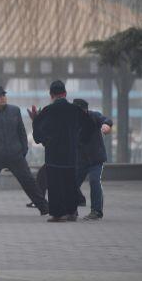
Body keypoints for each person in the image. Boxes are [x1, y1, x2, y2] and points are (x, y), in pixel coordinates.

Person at [0, 87, 48, 216]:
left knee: (28, 181)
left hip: (15, 155)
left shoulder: (15, 111)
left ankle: (44, 207)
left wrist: (23, 149)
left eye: (4, 95)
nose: (3, 98)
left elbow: (22, 132)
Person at [29, 80, 95, 222]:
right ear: (65, 93)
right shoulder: (75, 110)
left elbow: (37, 133)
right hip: (70, 153)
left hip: (53, 154)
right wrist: (79, 140)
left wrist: (43, 138)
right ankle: (72, 212)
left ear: (51, 95)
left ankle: (58, 214)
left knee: (55, 184)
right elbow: (89, 126)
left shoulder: (47, 110)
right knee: (70, 182)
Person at [72, 98, 113, 220]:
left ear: (85, 111)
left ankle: (96, 211)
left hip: (95, 158)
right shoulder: (72, 120)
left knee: (94, 181)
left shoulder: (93, 116)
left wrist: (106, 126)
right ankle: (72, 209)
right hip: (81, 160)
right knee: (72, 184)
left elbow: (106, 120)